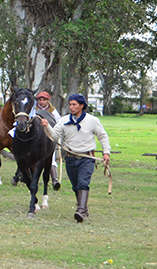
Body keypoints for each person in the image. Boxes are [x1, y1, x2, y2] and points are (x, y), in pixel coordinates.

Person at [41, 94, 110, 222]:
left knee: (83, 183)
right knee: (75, 186)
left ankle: (80, 211)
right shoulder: (63, 120)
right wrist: (47, 126)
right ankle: (83, 208)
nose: (71, 107)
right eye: (70, 104)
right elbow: (55, 136)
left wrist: (106, 152)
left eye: (74, 105)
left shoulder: (92, 120)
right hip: (70, 158)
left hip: (87, 158)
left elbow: (102, 136)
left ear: (81, 106)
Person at [35, 91, 62, 189]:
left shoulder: (53, 111)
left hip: (49, 137)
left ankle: (55, 180)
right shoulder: (34, 109)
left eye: (44, 100)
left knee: (52, 158)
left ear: (48, 100)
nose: (41, 102)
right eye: (40, 100)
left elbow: (59, 122)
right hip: (36, 138)